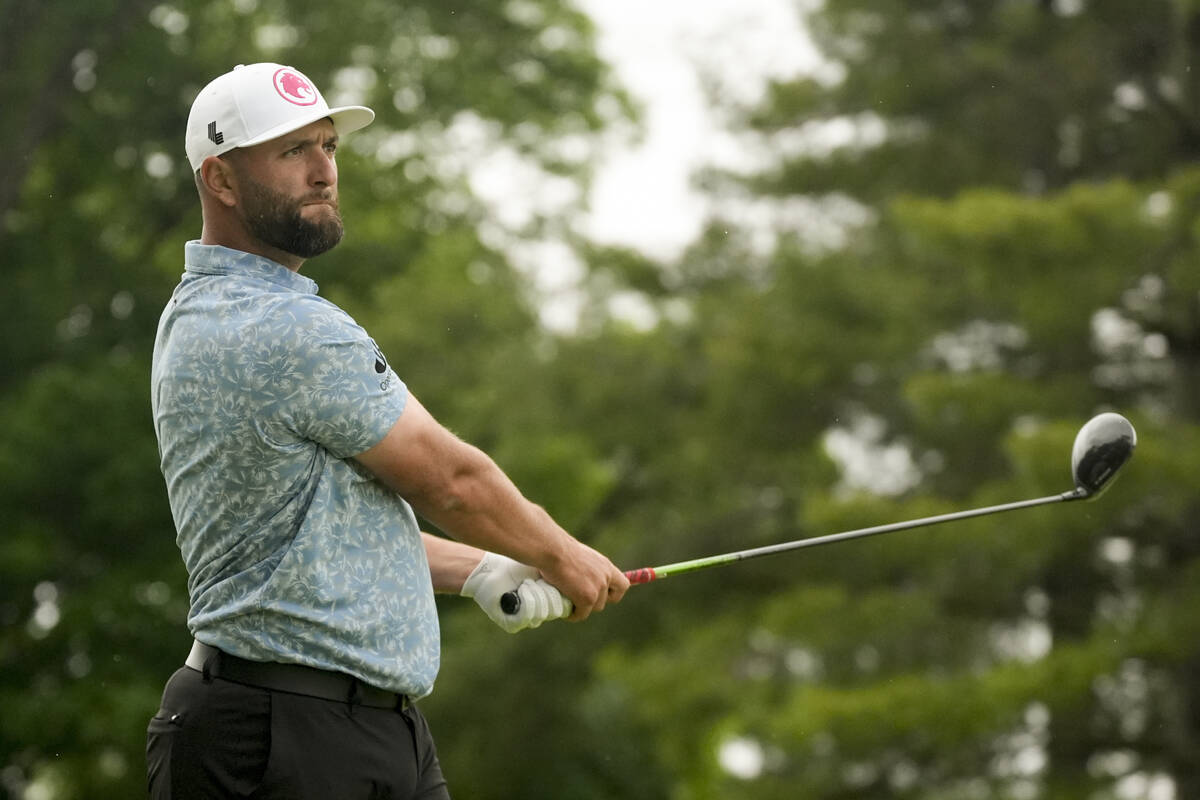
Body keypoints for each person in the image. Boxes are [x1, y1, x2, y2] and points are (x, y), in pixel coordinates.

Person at [146, 62, 629, 799]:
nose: (322, 172)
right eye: (291, 152)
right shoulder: (279, 325)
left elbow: (317, 529)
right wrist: (562, 555)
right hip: (283, 738)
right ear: (221, 180)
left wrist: (478, 570)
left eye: (329, 147)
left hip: (362, 732)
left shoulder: (202, 309)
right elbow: (451, 480)